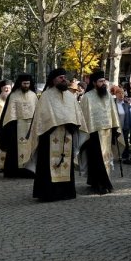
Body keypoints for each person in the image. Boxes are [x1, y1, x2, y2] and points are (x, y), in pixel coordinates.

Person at [30, 69, 81, 202]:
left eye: (64, 77)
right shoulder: (46, 96)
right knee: (48, 165)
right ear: (53, 80)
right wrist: (53, 125)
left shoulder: (70, 96)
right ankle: (49, 193)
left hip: (67, 134)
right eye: (60, 77)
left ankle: (66, 192)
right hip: (49, 135)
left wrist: (72, 125)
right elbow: (41, 119)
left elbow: (77, 115)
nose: (63, 79)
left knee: (66, 163)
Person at [78, 70, 121, 195]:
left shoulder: (108, 95)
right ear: (94, 82)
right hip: (93, 134)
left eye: (104, 81)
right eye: (100, 81)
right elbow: (84, 117)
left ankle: (105, 182)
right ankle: (99, 184)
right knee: (97, 160)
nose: (103, 83)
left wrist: (115, 128)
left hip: (107, 132)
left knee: (106, 159)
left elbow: (113, 113)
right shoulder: (87, 97)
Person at [0, 74, 37, 178]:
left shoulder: (33, 95)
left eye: (28, 83)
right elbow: (10, 114)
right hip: (17, 127)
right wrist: (11, 129)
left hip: (31, 127)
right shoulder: (14, 95)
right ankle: (15, 171)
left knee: (31, 147)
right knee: (15, 150)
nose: (26, 85)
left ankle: (29, 169)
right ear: (20, 83)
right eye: (24, 83)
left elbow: (37, 112)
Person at [112, 84, 131, 166]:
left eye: (122, 93)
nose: (121, 95)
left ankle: (125, 157)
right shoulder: (113, 104)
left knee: (125, 142)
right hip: (116, 127)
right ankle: (115, 156)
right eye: (119, 93)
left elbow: (129, 116)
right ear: (116, 94)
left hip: (125, 126)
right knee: (115, 142)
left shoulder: (126, 105)